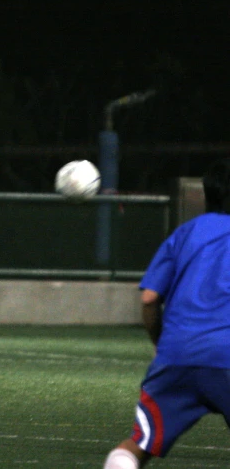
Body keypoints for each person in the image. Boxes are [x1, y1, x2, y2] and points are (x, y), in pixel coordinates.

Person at [103, 157, 230, 469]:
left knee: (137, 447)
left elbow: (149, 299)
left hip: (177, 353)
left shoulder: (185, 233)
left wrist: (162, 345)